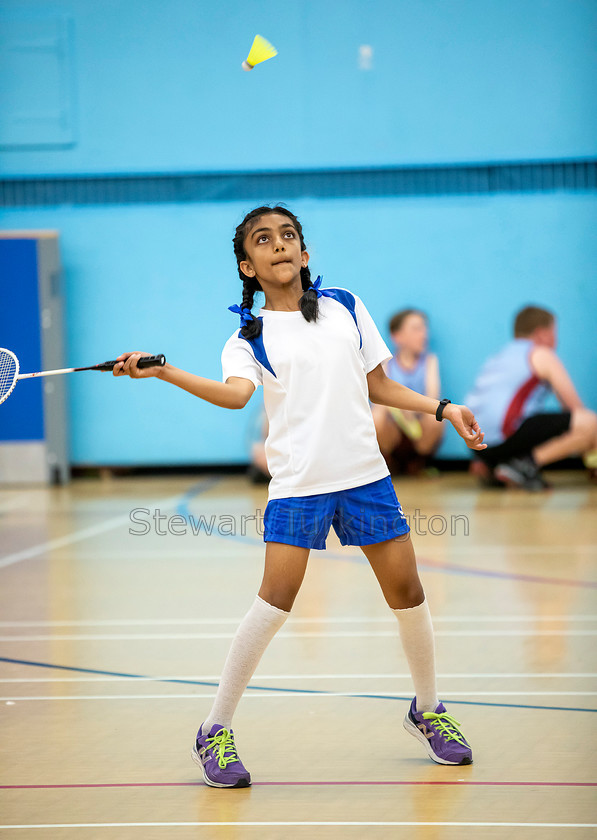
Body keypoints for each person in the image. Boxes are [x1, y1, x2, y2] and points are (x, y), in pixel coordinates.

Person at [114, 205, 486, 788]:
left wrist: (443, 408)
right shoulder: (248, 337)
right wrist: (164, 372)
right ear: (248, 264)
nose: (280, 245)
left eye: (289, 236)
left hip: (365, 476)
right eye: (264, 240)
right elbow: (236, 396)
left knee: (409, 594)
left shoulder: (344, 306)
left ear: (304, 253)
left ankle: (428, 710)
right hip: (299, 486)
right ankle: (214, 728)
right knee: (274, 604)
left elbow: (378, 385)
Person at [466, 305, 597, 490]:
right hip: (505, 438)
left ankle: (495, 465)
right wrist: (592, 457)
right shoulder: (540, 353)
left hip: (479, 447)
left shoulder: (499, 356)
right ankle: (525, 465)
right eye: (554, 332)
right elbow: (575, 409)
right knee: (590, 422)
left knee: (537, 419)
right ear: (542, 334)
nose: (556, 339)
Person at [371, 309, 444, 472]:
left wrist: (410, 411)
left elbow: (433, 397)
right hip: (394, 427)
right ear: (397, 336)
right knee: (376, 415)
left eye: (424, 328)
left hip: (419, 424)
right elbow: (380, 400)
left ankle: (419, 461)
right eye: (416, 329)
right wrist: (402, 412)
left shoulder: (430, 361)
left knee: (437, 416)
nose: (424, 334)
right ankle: (388, 460)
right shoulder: (386, 364)